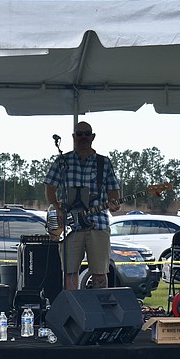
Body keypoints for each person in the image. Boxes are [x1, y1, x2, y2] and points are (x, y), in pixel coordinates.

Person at [44, 121, 121, 290]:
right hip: (70, 227)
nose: (83, 137)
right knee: (70, 273)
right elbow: (50, 187)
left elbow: (113, 190)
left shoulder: (104, 163)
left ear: (93, 137)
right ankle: (73, 312)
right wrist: (57, 208)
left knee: (100, 273)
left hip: (98, 224)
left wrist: (114, 202)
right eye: (79, 134)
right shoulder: (62, 161)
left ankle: (100, 312)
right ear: (73, 137)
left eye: (87, 134)